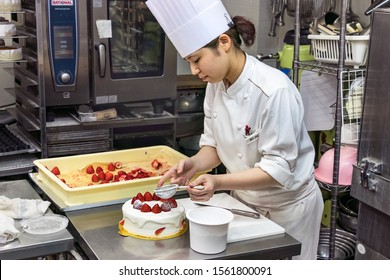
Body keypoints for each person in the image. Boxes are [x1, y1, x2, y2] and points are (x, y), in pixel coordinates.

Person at [146, 0, 324, 260]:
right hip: (244, 203)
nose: (194, 70)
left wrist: (217, 182)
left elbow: (277, 170)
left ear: (224, 43)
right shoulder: (215, 84)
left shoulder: (274, 91)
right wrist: (193, 164)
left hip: (289, 209)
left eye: (196, 59)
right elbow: (214, 146)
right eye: (189, 61)